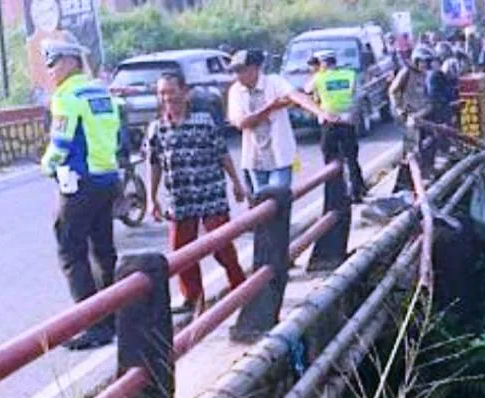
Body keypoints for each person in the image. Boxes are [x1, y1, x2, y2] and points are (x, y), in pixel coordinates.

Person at [40, 39, 121, 351]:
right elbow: (116, 133)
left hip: (79, 182)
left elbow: (60, 145)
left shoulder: (66, 96)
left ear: (71, 61)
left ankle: (94, 324)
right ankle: (113, 316)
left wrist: (46, 166)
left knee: (71, 252)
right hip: (107, 179)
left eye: (54, 63)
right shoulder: (100, 91)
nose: (51, 71)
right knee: (103, 250)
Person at [146, 72, 247, 315]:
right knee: (182, 252)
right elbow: (154, 163)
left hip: (210, 194)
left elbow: (222, 153)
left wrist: (236, 183)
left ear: (185, 91)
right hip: (180, 197)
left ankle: (241, 288)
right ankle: (192, 298)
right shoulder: (157, 128)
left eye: (171, 91)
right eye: (162, 93)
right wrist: (152, 198)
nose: (167, 98)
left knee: (222, 247)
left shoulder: (204, 121)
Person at [227, 49, 333, 194]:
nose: (238, 76)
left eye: (241, 70)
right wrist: (271, 107)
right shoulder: (235, 91)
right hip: (254, 160)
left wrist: (321, 113)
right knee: (262, 203)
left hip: (280, 158)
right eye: (236, 71)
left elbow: (296, 96)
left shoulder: (274, 82)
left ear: (255, 68)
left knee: (278, 198)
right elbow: (241, 123)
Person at [310, 50, 368, 202]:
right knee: (352, 158)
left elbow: (307, 91)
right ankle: (357, 192)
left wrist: (316, 73)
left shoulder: (319, 77)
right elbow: (359, 96)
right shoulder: (349, 74)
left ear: (322, 63)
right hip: (347, 122)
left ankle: (337, 196)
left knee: (331, 161)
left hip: (329, 123)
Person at [389, 45, 436, 174]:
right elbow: (393, 91)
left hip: (421, 113)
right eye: (423, 62)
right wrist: (400, 109)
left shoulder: (424, 74)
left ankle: (426, 169)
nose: (426, 65)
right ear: (416, 60)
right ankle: (408, 173)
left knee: (429, 142)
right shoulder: (406, 72)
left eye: (427, 62)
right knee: (411, 147)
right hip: (409, 115)